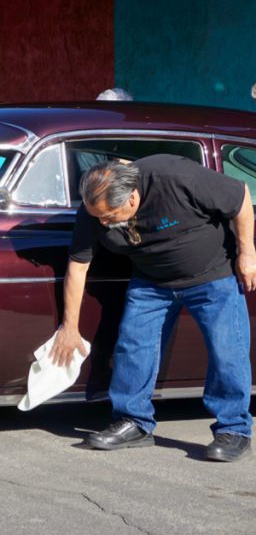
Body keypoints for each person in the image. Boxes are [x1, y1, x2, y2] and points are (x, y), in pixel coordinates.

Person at [51, 156, 255, 462]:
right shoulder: (94, 209)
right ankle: (134, 422)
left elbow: (240, 196)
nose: (103, 223)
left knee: (227, 351)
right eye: (99, 218)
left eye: (110, 216)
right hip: (151, 283)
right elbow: (78, 267)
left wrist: (247, 252)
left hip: (213, 276)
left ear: (132, 197)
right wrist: (70, 328)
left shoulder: (173, 176)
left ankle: (234, 429)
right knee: (133, 348)